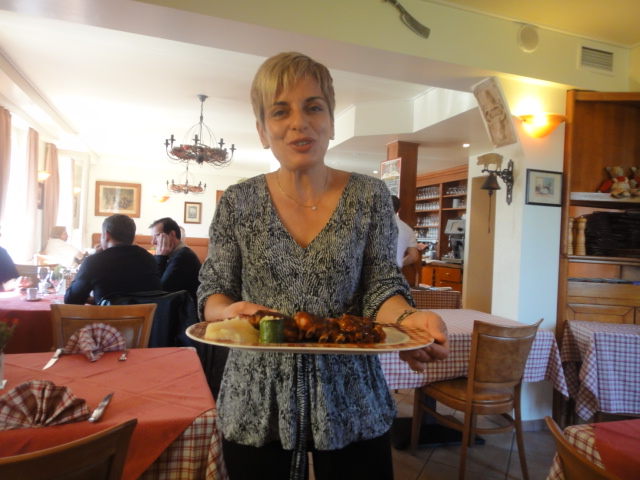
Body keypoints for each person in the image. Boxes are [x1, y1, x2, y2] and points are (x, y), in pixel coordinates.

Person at [197, 52, 450, 480]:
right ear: (262, 130)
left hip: (352, 392)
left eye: (313, 107)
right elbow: (213, 289)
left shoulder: (370, 197)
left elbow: (381, 286)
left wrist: (409, 319)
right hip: (256, 393)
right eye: (280, 111)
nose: (300, 122)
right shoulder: (238, 202)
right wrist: (227, 312)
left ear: (331, 121)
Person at [65, 214, 161, 305]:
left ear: (106, 235)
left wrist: (92, 257)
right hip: (144, 317)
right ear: (133, 237)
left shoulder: (94, 262)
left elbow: (72, 300)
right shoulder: (150, 259)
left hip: (108, 317)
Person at [149, 217, 201, 304]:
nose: (153, 242)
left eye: (157, 236)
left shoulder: (183, 257)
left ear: (172, 235)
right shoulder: (172, 254)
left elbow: (159, 290)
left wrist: (160, 256)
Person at [391, 195, 420, 268]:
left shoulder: (373, 225)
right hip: (394, 272)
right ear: (399, 210)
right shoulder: (408, 229)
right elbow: (414, 256)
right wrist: (399, 264)